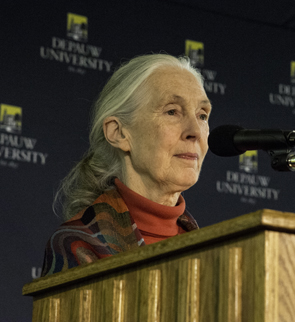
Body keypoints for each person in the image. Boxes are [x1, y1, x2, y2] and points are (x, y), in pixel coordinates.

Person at [41, 53, 212, 276]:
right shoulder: (77, 244)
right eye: (172, 111)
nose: (195, 132)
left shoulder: (211, 248)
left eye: (202, 115)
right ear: (118, 132)